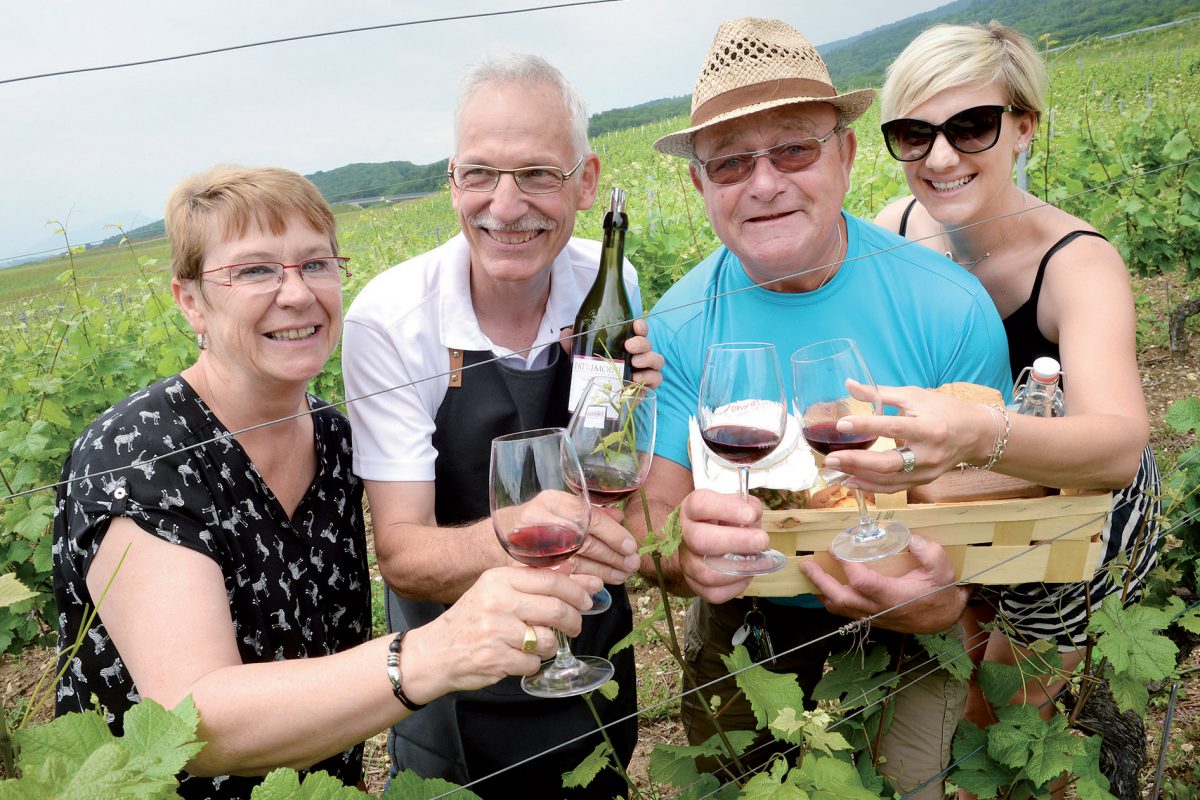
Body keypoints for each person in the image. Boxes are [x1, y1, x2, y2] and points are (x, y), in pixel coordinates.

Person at [52, 165, 602, 800]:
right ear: (189, 300)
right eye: (255, 270)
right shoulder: (140, 454)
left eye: (315, 264)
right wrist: (430, 654)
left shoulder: (334, 439)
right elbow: (190, 719)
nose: (296, 294)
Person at [624, 17, 1012, 800]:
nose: (763, 182)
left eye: (794, 148)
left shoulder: (947, 306)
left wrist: (949, 599)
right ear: (700, 186)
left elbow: (996, 499)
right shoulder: (674, 328)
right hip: (747, 617)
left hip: (913, 606)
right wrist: (679, 557)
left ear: (845, 154)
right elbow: (648, 522)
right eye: (730, 162)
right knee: (736, 785)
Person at [837, 21, 1160, 798]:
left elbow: (1117, 446)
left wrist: (979, 435)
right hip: (957, 500)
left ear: (1023, 127)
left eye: (971, 126)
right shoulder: (898, 229)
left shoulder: (1077, 264)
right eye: (913, 134)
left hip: (1073, 516)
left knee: (1004, 714)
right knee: (956, 652)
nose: (940, 158)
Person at [341, 55, 661, 799]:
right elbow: (402, 555)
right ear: (453, 179)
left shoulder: (607, 279)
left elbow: (606, 458)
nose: (506, 206)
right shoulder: (389, 321)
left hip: (590, 641)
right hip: (458, 676)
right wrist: (528, 528)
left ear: (586, 181)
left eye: (539, 175)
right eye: (480, 173)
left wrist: (636, 411)